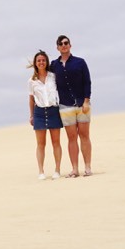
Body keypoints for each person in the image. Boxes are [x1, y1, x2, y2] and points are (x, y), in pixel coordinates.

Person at [50, 35, 93, 177]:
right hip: (65, 106)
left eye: (66, 43)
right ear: (57, 47)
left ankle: (87, 167)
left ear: (70, 45)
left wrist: (86, 100)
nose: (64, 45)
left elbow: (87, 82)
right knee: (72, 138)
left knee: (84, 135)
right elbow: (45, 78)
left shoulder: (80, 62)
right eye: (61, 44)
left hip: (82, 105)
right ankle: (75, 169)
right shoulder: (54, 65)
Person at [28, 50, 63, 180]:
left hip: (53, 110)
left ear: (46, 62)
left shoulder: (53, 76)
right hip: (39, 113)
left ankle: (57, 170)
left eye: (43, 60)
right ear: (35, 64)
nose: (41, 62)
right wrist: (31, 115)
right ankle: (41, 171)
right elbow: (31, 99)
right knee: (41, 144)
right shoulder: (31, 81)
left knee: (56, 142)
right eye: (39, 61)